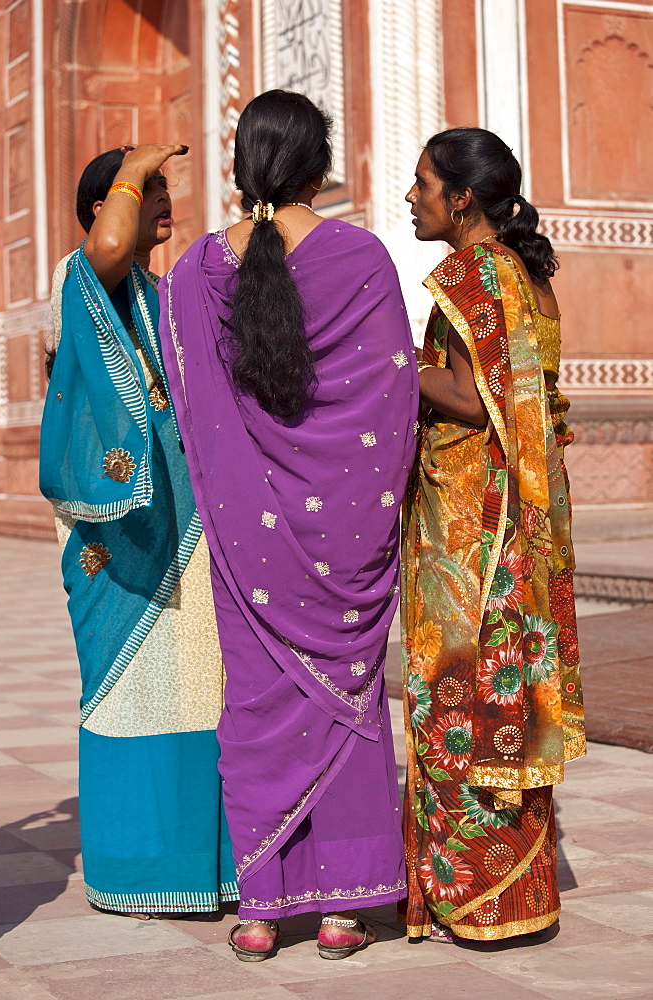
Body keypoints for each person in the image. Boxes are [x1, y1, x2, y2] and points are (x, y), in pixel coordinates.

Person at [158, 90, 418, 961]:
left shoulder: (193, 272)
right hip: (343, 539)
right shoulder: (360, 256)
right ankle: (346, 909)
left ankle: (262, 909)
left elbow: (191, 407)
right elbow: (390, 399)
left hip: (246, 540)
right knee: (344, 701)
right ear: (319, 163)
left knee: (263, 704)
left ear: (241, 168)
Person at [39, 145, 237, 918]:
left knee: (197, 692)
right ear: (105, 208)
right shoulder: (79, 279)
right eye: (148, 189)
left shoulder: (163, 295)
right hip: (118, 551)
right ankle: (135, 866)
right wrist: (135, 161)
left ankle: (201, 865)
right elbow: (111, 249)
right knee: (129, 693)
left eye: (162, 186)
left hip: (188, 535)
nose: (165, 199)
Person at [400, 128, 586, 942]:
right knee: (498, 701)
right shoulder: (527, 275)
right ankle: (515, 898)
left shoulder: (479, 273)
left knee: (456, 698)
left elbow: (477, 403)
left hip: (475, 529)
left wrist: (393, 364)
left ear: (462, 198)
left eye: (422, 184)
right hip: (515, 525)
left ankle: (470, 899)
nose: (412, 198)